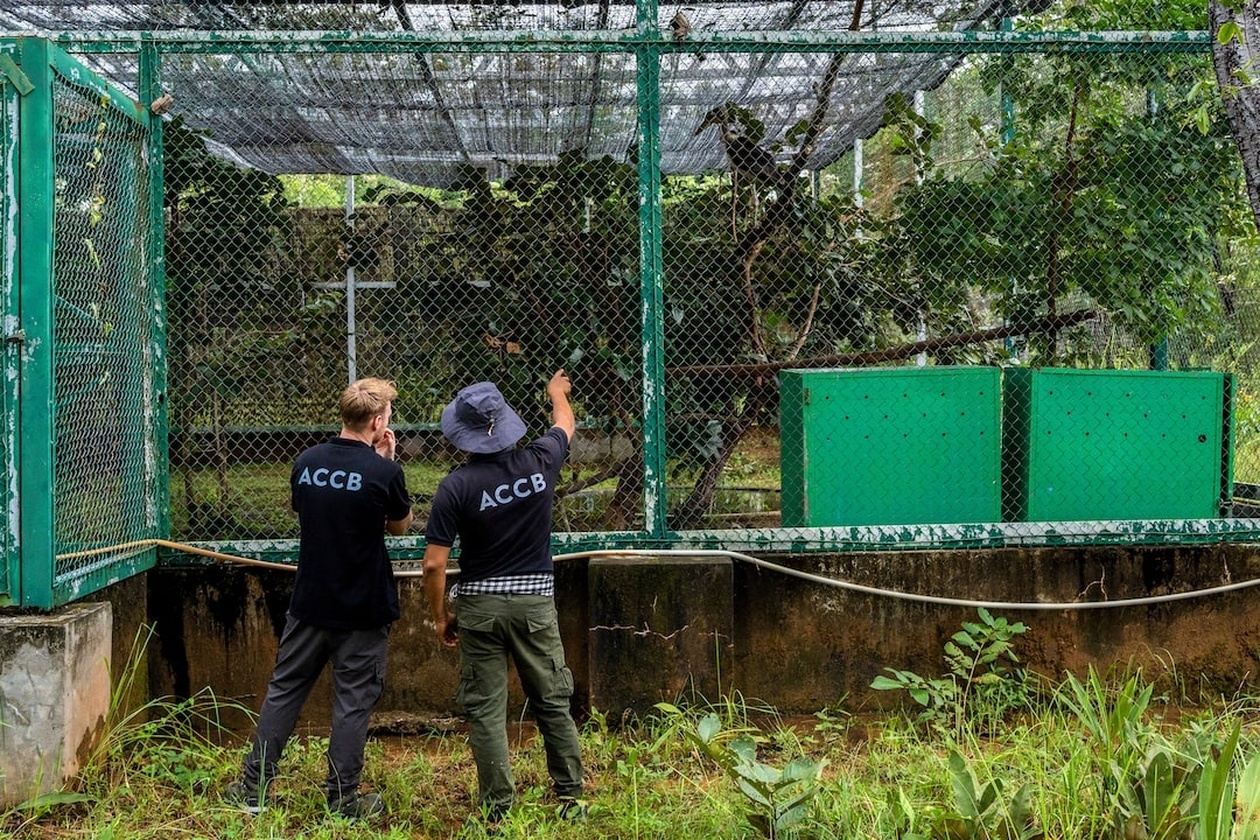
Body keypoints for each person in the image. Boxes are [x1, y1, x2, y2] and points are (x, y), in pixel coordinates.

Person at [225, 377, 413, 819]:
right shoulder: (384, 473)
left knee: (284, 691)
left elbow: (309, 509)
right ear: (378, 422)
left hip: (310, 601)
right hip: (363, 608)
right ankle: (343, 798)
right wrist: (383, 462)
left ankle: (252, 788)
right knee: (352, 703)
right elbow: (399, 525)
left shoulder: (306, 462)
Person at [422, 370, 586, 825]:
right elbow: (565, 424)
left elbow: (434, 564)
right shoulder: (541, 460)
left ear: (463, 434)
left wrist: (440, 615)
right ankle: (571, 797)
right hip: (535, 606)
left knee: (487, 710)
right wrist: (556, 393)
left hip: (480, 609)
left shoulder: (456, 486)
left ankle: (497, 811)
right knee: (552, 699)